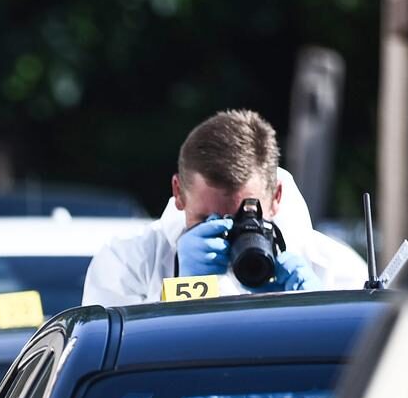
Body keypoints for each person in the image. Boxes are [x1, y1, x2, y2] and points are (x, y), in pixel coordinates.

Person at [82, 109, 368, 308]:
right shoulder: (128, 262)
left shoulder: (337, 271)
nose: (228, 234)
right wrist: (178, 296)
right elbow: (112, 365)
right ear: (178, 193)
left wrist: (325, 312)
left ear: (276, 196)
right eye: (206, 220)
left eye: (245, 218)